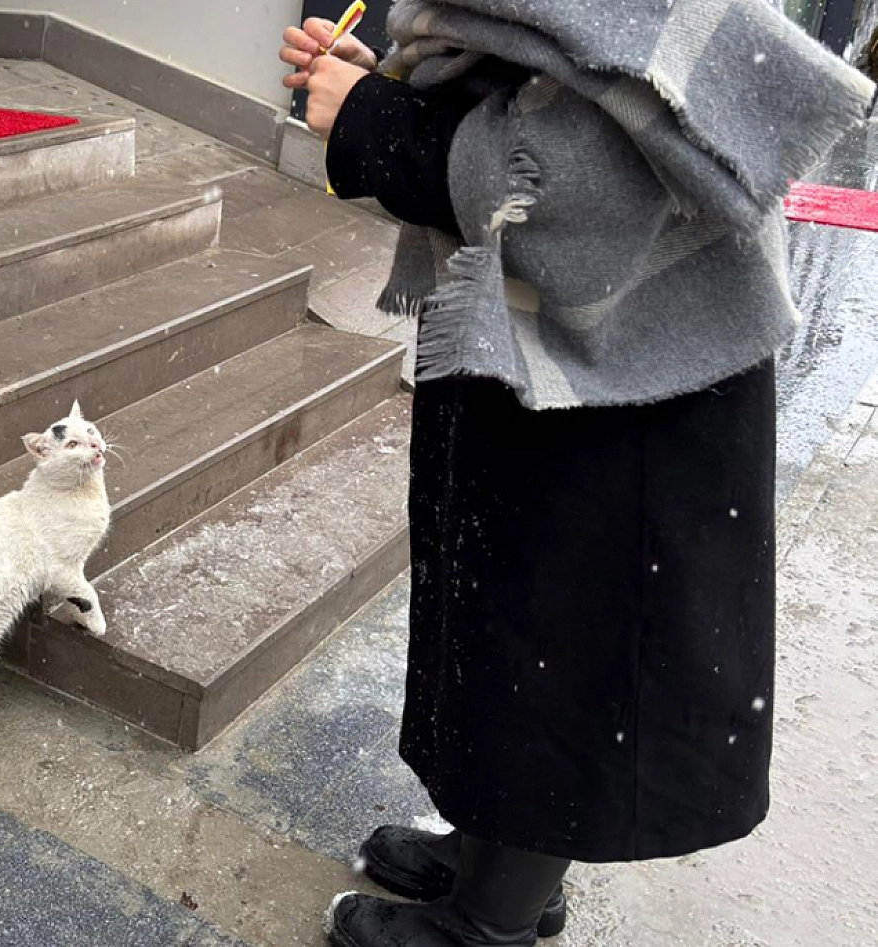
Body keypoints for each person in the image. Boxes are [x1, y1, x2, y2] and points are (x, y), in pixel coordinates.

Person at [277, 3, 875, 946]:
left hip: (627, 374)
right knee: (506, 620)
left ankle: (494, 919)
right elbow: (532, 81)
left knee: (558, 644)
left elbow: (583, 184)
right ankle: (495, 849)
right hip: (548, 347)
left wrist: (371, 122)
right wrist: (384, 81)